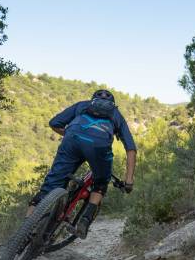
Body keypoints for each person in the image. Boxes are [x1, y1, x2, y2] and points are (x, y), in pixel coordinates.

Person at [29, 89, 137, 239]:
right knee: (100, 183)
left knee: (50, 185)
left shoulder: (82, 105)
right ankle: (85, 220)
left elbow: (54, 123)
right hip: (99, 147)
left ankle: (25, 230)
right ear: (112, 104)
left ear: (92, 100)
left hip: (71, 140)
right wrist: (129, 180)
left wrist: (71, 135)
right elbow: (131, 148)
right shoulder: (116, 114)